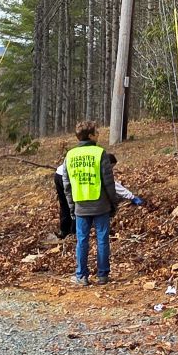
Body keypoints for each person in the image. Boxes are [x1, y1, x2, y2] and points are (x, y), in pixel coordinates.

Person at [61, 121, 120, 286]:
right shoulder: (100, 153)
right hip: (101, 204)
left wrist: (71, 206)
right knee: (102, 240)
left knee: (82, 241)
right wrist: (114, 202)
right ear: (91, 136)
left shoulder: (70, 155)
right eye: (96, 131)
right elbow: (108, 182)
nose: (99, 133)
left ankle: (81, 276)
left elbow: (67, 185)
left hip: (80, 205)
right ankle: (103, 275)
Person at [53, 154, 142, 240]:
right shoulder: (99, 166)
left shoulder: (94, 160)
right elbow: (112, 184)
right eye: (111, 167)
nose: (111, 170)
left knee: (65, 205)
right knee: (77, 204)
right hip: (68, 176)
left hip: (59, 174)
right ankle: (74, 233)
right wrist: (131, 197)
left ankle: (64, 232)